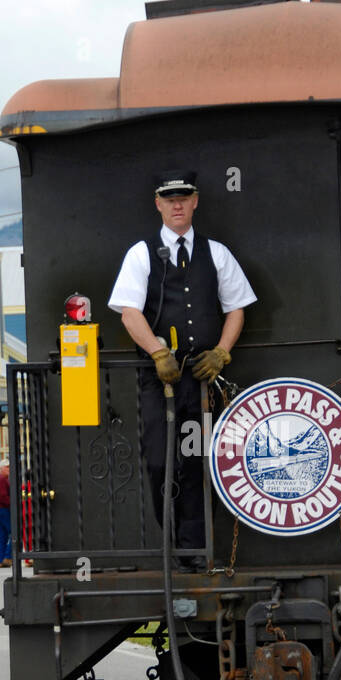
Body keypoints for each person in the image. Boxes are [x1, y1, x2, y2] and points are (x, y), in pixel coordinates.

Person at [108, 170, 256, 565]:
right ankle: (169, 545)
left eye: (184, 197)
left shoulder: (216, 252)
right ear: (158, 204)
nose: (177, 204)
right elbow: (128, 313)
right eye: (169, 198)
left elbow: (236, 308)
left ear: (195, 202)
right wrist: (158, 353)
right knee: (159, 460)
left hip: (201, 384)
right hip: (159, 383)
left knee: (195, 462)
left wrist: (222, 353)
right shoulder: (141, 253)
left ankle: (193, 552)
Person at [0, 459, 12, 568]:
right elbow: (3, 496)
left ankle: (1, 560)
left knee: (3, 535)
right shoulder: (1, 480)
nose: (9, 469)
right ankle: (7, 557)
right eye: (7, 467)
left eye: (9, 467)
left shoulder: (3, 479)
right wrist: (12, 504)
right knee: (13, 533)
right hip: (3, 509)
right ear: (1, 469)